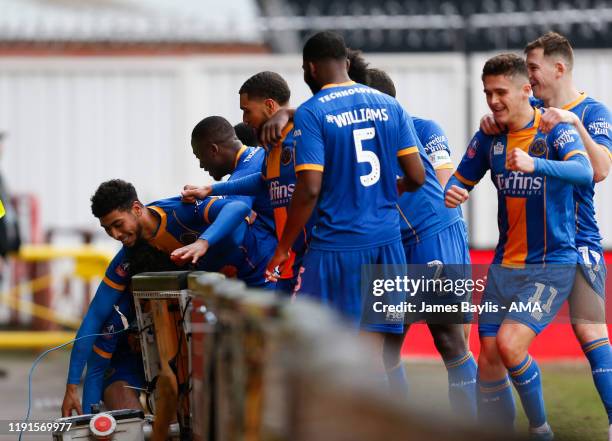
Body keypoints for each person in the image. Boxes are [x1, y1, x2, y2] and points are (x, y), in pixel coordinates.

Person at [445, 53, 593, 439]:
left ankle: (541, 430)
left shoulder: (553, 128)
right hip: (502, 268)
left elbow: (584, 171)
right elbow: (460, 178)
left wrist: (536, 165)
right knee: (489, 356)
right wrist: (454, 191)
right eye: (487, 93)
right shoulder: (490, 136)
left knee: (511, 346)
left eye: (500, 92)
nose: (493, 101)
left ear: (526, 89)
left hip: (551, 265)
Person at [480, 32, 612, 438]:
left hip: (579, 238)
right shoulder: (532, 107)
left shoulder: (591, 110)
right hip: (528, 251)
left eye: (533, 66)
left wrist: (575, 125)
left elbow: (601, 169)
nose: (529, 76)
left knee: (590, 331)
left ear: (558, 68)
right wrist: (494, 121)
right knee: (496, 346)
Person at [62, 179, 274, 416]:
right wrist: (71, 388)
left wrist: (203, 243)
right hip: (165, 343)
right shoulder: (128, 259)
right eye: (107, 229)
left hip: (254, 279)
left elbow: (237, 208)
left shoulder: (181, 210)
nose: (115, 234)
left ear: (136, 209)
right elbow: (94, 318)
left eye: (118, 225)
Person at [266, 30, 425, 339]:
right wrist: (393, 189)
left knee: (313, 343)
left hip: (339, 246)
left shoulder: (313, 111)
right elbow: (418, 177)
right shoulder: (391, 106)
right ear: (347, 64)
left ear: (310, 68)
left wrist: (283, 247)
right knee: (375, 353)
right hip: (388, 245)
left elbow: (310, 187)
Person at [365, 67, 477, 418]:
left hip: (435, 236)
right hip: (394, 246)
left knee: (450, 340)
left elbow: (444, 183)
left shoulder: (424, 129)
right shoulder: (358, 143)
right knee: (384, 346)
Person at [183, 71, 313, 293]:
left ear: (270, 106)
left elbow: (237, 209)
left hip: (323, 251)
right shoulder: (269, 151)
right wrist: (211, 189)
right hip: (291, 258)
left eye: (246, 111)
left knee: (376, 319)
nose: (243, 120)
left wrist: (203, 242)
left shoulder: (306, 137)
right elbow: (262, 181)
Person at [182, 116, 276, 239]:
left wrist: (202, 242)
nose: (201, 165)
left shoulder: (243, 173)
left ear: (213, 150)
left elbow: (234, 230)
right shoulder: (261, 153)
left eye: (200, 156)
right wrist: (204, 191)